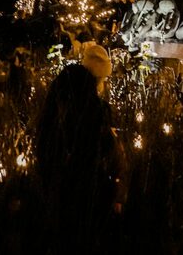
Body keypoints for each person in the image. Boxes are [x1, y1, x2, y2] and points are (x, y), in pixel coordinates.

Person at [36, 59, 126, 251]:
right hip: (90, 199)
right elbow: (114, 159)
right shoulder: (95, 118)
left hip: (61, 202)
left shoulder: (52, 122)